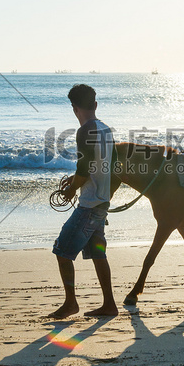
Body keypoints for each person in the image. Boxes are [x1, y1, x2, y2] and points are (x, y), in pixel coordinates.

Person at [48, 84, 118, 319]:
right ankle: (109, 304)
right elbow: (105, 166)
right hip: (102, 203)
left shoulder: (85, 130)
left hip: (89, 205)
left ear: (74, 108)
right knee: (98, 253)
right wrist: (77, 179)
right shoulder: (106, 129)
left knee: (62, 250)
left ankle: (71, 304)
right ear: (95, 105)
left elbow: (85, 167)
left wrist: (71, 190)